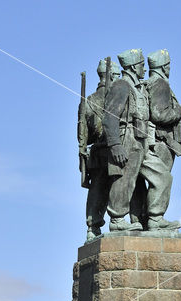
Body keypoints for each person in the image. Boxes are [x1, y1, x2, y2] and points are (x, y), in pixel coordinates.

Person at [132, 49, 181, 230]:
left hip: (153, 141)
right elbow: (158, 114)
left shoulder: (149, 83)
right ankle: (155, 218)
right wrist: (178, 111)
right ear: (164, 66)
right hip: (161, 142)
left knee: (146, 183)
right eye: (168, 65)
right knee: (161, 180)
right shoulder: (160, 83)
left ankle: (142, 220)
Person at [102, 48, 149, 232]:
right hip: (126, 137)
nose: (144, 69)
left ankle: (143, 217)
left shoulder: (137, 86)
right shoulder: (121, 85)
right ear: (133, 66)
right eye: (141, 65)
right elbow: (109, 116)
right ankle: (117, 218)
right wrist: (115, 144)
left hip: (140, 138)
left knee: (137, 181)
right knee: (123, 178)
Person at [82, 59, 121, 240]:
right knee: (117, 186)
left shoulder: (88, 101)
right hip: (112, 150)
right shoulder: (115, 97)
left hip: (97, 152)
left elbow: (83, 136)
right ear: (111, 75)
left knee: (98, 189)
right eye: (117, 75)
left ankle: (93, 225)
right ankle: (117, 221)